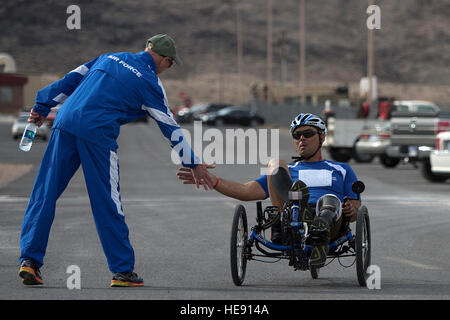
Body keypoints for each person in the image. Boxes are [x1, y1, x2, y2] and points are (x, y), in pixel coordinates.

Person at [18, 34, 214, 287]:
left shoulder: (110, 57)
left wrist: (42, 106)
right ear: (165, 59)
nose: (169, 68)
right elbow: (170, 127)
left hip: (64, 123)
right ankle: (122, 271)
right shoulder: (150, 83)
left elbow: (70, 80)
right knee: (107, 201)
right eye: (171, 63)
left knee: (44, 193)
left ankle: (30, 262)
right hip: (97, 133)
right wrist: (193, 163)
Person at [177, 113, 361, 269]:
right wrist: (213, 180)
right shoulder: (287, 171)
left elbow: (354, 211)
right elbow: (246, 191)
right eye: (297, 136)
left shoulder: (341, 169)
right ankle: (300, 213)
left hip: (330, 223)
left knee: (328, 200)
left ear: (322, 137)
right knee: (275, 163)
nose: (301, 139)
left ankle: (318, 230)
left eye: (307, 133)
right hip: (293, 220)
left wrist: (351, 210)